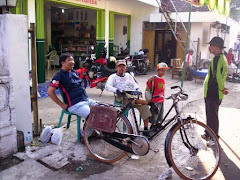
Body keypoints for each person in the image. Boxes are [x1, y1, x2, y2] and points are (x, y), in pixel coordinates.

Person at [105, 60, 157, 137]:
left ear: (125, 68)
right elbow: (107, 86)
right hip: (122, 98)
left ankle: (146, 129)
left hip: (133, 97)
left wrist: (137, 90)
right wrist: (116, 90)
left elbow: (135, 85)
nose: (121, 68)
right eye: (120, 66)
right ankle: (149, 103)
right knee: (132, 99)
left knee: (145, 107)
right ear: (116, 68)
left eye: (123, 66)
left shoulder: (128, 75)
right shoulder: (113, 77)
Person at [47, 53, 96, 120]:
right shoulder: (59, 76)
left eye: (73, 60)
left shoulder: (74, 72)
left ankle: (91, 129)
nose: (73, 62)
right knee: (92, 117)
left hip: (86, 100)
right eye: (70, 60)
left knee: (105, 110)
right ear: (63, 63)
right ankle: (87, 130)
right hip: (75, 105)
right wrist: (61, 104)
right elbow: (50, 91)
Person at [202, 37, 228, 146]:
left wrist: (222, 88)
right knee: (210, 114)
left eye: (211, 45)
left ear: (216, 47)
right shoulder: (220, 58)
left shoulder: (218, 59)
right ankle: (208, 133)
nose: (209, 47)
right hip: (212, 92)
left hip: (214, 92)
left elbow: (218, 77)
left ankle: (214, 137)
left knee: (212, 116)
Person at [146, 62, 169, 130]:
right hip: (155, 100)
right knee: (155, 113)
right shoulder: (154, 79)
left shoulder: (162, 79)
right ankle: (153, 125)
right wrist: (149, 80)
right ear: (157, 70)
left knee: (160, 113)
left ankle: (157, 124)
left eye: (165, 70)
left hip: (161, 99)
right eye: (162, 70)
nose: (163, 72)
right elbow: (148, 85)